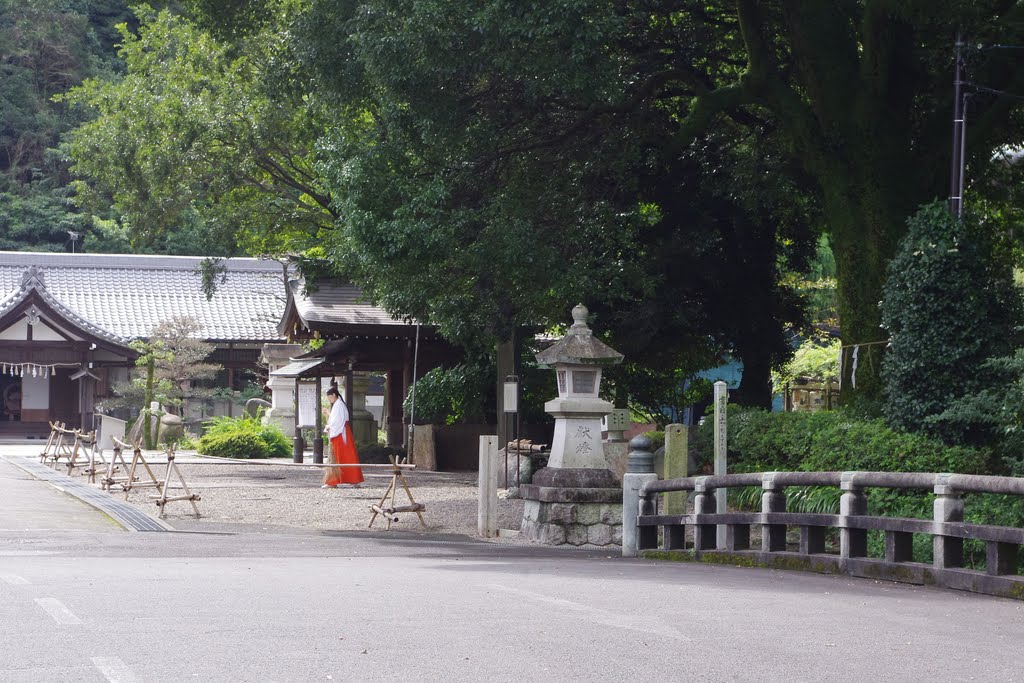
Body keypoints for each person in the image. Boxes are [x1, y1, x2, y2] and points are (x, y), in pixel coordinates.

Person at [322, 385, 364, 488]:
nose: (329, 399)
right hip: (342, 432)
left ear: (334, 395)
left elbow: (337, 421)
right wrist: (328, 416)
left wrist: (329, 426)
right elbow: (336, 419)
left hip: (340, 433)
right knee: (345, 456)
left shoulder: (339, 405)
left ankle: (335, 481)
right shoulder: (338, 404)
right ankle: (351, 480)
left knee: (339, 456)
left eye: (329, 397)